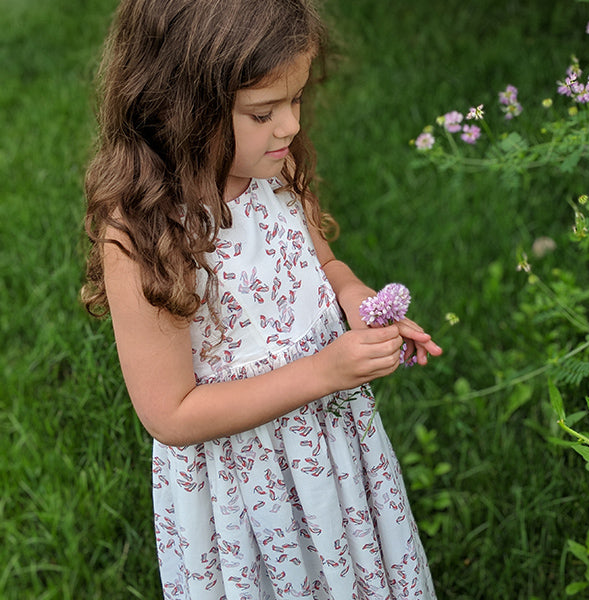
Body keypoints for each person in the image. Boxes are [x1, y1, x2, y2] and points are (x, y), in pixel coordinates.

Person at [81, 0, 442, 597]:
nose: (291, 126)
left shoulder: (274, 167)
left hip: (328, 449)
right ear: (182, 109)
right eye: (263, 111)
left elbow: (318, 258)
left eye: (296, 100)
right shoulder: (147, 232)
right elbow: (170, 414)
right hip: (245, 488)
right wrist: (325, 371)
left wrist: (352, 296)